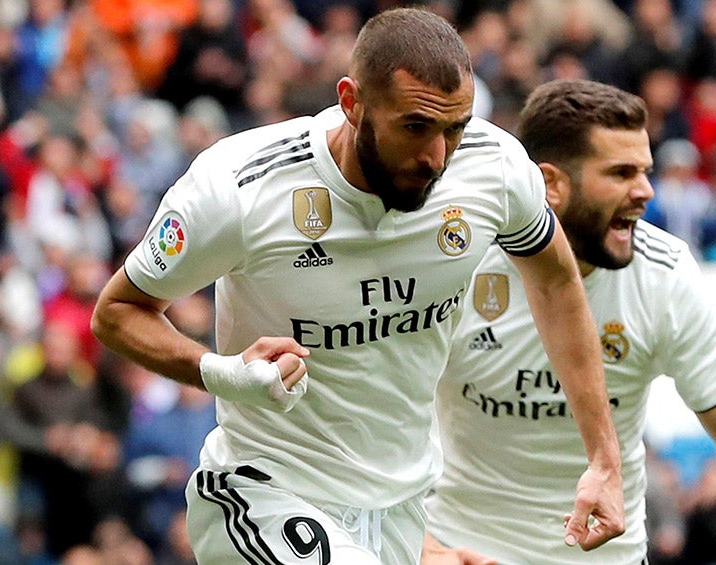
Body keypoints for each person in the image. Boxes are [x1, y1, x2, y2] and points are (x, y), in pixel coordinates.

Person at [90, 9, 624, 565]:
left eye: (455, 128)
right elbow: (117, 312)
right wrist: (222, 374)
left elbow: (558, 284)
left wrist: (604, 461)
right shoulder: (241, 188)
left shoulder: (493, 167)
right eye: (415, 126)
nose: (437, 157)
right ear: (351, 101)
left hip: (400, 512)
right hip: (266, 493)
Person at [422, 79, 716, 564]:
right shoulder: (461, 264)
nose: (646, 192)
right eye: (621, 173)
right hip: (463, 554)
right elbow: (378, 424)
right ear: (549, 184)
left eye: (645, 171)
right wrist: (423, 549)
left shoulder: (664, 275)